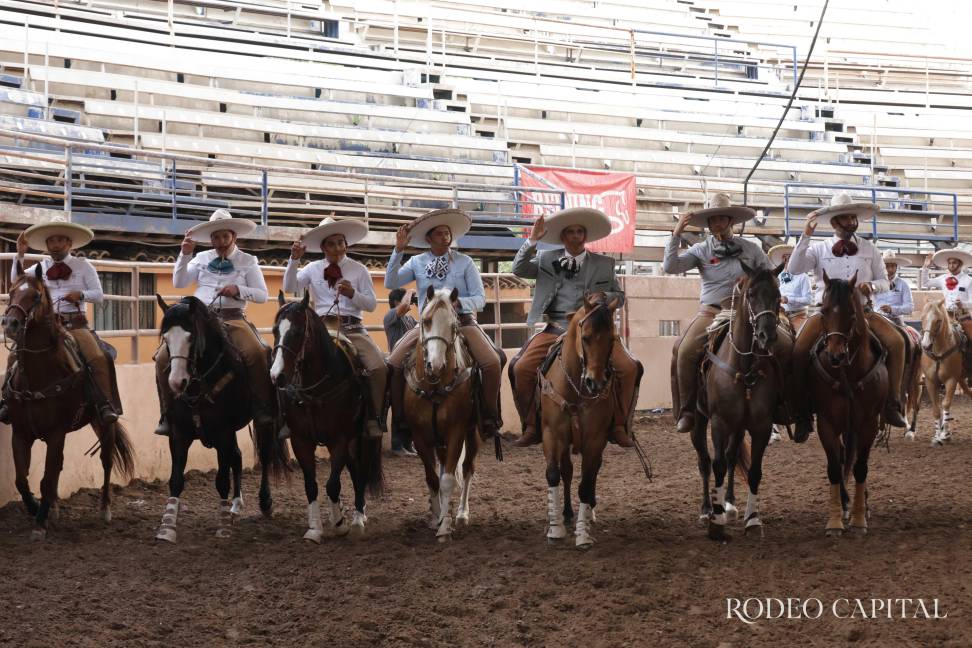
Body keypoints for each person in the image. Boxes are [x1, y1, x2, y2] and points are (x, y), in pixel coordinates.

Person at [507, 207, 641, 447]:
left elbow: (620, 297)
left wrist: (605, 294)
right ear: (562, 237)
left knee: (630, 368)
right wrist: (532, 240)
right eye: (571, 232)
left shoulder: (604, 263)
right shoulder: (546, 259)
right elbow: (518, 269)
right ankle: (531, 426)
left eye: (580, 232)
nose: (576, 236)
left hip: (594, 331)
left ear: (585, 236)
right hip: (556, 327)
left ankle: (620, 425)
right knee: (521, 368)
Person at [786, 192, 908, 442]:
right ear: (834, 223)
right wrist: (805, 235)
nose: (851, 222)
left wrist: (872, 287)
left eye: (853, 217)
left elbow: (884, 280)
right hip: (826, 314)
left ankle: (892, 403)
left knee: (897, 342)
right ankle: (801, 413)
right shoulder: (818, 249)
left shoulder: (870, 249)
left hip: (862, 312)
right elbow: (794, 268)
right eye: (845, 218)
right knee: (798, 351)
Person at [384, 208, 506, 440]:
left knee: (492, 362)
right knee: (393, 364)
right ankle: (400, 420)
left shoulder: (465, 262)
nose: (445, 237)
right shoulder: (416, 262)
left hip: (462, 322)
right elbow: (391, 282)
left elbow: (481, 299)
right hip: (428, 326)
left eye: (447, 233)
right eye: (439, 234)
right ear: (428, 239)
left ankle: (489, 417)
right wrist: (398, 250)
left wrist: (459, 302)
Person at [663, 193, 776, 433]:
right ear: (708, 223)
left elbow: (770, 276)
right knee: (684, 350)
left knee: (783, 346)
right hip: (712, 313)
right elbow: (670, 267)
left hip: (749, 314)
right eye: (713, 219)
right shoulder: (700, 250)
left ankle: (784, 405)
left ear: (730, 220)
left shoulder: (751, 249)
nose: (717, 223)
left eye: (722, 218)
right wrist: (676, 234)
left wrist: (756, 282)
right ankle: (687, 410)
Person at [154, 209, 273, 436]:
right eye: (215, 238)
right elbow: (179, 283)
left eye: (224, 237)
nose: (220, 242)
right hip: (199, 319)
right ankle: (167, 412)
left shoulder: (248, 261)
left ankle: (262, 407)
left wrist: (239, 290)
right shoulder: (200, 258)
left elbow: (262, 295)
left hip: (232, 318)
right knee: (162, 356)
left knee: (257, 352)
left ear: (234, 237)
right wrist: (185, 254)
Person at [0, 216, 120, 425]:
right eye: (51, 241)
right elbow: (16, 281)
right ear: (46, 245)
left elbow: (98, 295)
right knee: (15, 356)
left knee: (98, 357)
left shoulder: (83, 266)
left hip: (75, 325)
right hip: (45, 325)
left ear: (69, 243)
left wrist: (80, 295)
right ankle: (7, 403)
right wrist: (19, 254)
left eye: (59, 240)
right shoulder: (40, 266)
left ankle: (105, 404)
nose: (55, 245)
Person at [284, 217, 388, 439]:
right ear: (322, 247)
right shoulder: (312, 268)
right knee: (288, 359)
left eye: (340, 242)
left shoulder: (359, 270)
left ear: (346, 244)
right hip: (320, 329)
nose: (337, 248)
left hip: (353, 328)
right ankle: (286, 418)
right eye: (331, 244)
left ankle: (374, 417)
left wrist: (353, 294)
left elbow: (370, 305)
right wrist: (294, 260)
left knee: (379, 368)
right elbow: (289, 287)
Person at [919, 247, 972, 372]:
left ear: (960, 264)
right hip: (945, 316)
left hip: (963, 316)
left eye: (954, 263)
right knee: (928, 334)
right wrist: (925, 267)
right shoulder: (943, 278)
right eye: (950, 263)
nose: (951, 265)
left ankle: (969, 369)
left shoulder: (969, 280)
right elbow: (925, 283)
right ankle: (930, 368)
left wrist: (963, 304)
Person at [769, 244, 812, 334]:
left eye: (790, 258)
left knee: (804, 338)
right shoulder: (778, 276)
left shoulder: (803, 277)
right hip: (780, 314)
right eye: (785, 258)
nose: (787, 260)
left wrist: (789, 299)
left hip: (798, 316)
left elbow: (808, 300)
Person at [874, 250, 914, 327]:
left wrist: (892, 309)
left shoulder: (903, 284)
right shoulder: (875, 283)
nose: (890, 270)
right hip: (877, 319)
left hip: (896, 321)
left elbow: (909, 307)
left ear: (896, 267)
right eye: (887, 266)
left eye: (892, 266)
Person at [384, 288, 417, 352]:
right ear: (396, 302)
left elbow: (424, 325)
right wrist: (409, 291)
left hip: (412, 356)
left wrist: (420, 303)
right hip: (399, 357)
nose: (409, 302)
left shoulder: (410, 318)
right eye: (406, 298)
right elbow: (405, 306)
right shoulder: (389, 315)